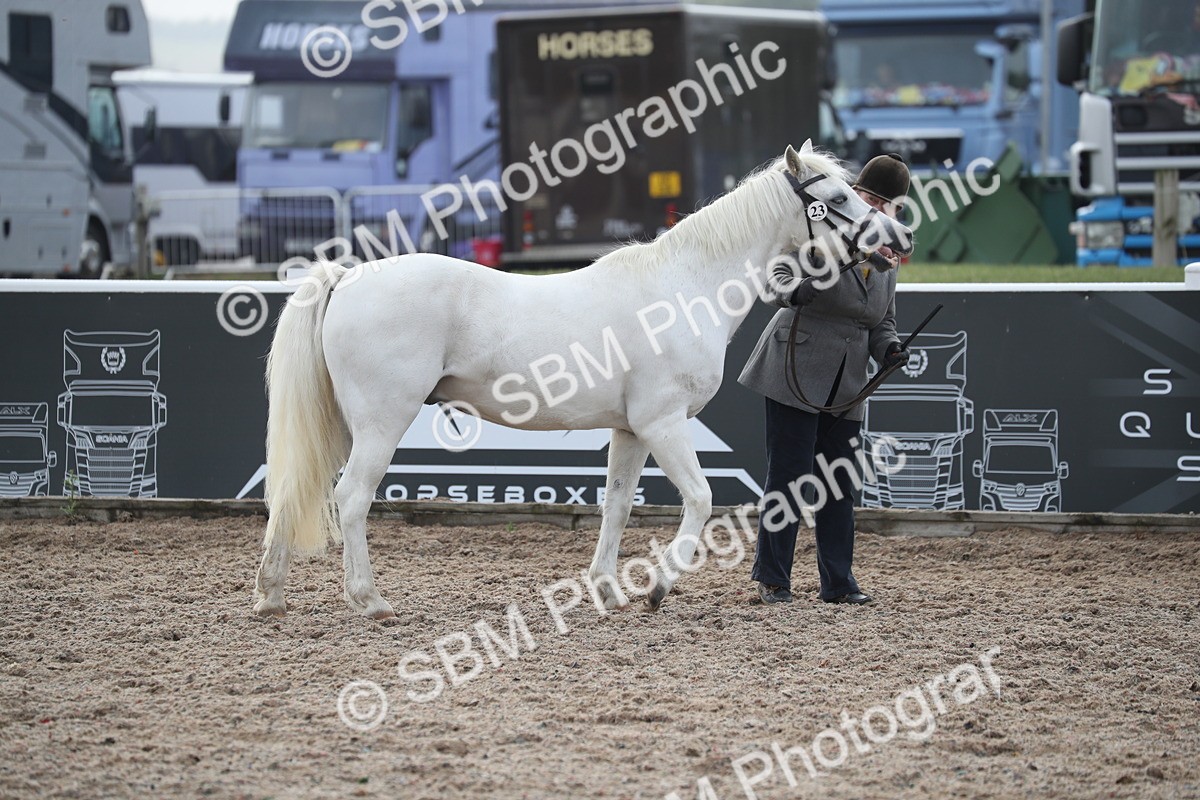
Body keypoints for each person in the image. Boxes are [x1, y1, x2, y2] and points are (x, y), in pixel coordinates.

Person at [737, 153, 913, 606]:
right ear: (855, 194)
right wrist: (816, 275)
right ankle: (773, 578)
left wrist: (890, 351)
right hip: (795, 367)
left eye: (885, 204)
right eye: (869, 197)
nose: (875, 209)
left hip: (847, 385)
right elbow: (777, 282)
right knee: (788, 478)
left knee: (840, 485)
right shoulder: (817, 229)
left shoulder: (887, 259)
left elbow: (881, 322)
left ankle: (838, 582)